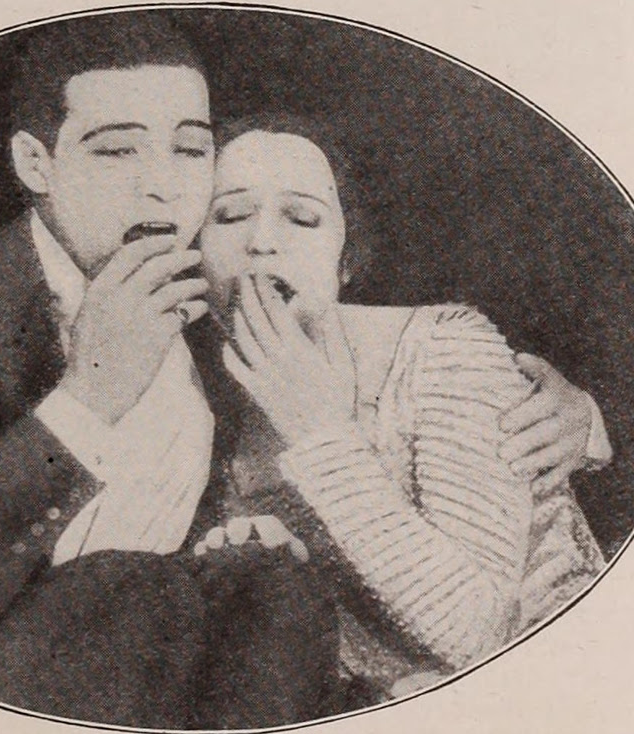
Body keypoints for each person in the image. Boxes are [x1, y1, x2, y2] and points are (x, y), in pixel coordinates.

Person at [0, 14, 606, 727]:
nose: (163, 191)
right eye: (119, 151)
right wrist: (85, 405)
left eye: (191, 152)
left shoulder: (244, 329)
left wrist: (581, 420)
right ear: (34, 165)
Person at [189, 112, 608, 706]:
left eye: (303, 217)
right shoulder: (193, 405)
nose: (261, 240)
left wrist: (320, 434)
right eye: (229, 215)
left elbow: (481, 635)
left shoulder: (443, 346)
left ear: (345, 262)